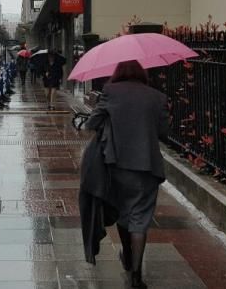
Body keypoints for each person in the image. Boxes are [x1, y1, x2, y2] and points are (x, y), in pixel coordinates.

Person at [83, 60, 169, 289]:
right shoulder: (157, 97)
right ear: (142, 74)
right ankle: (137, 274)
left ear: (118, 73)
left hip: (116, 164)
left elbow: (91, 123)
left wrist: (98, 107)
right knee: (140, 218)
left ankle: (128, 258)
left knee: (123, 212)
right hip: (147, 167)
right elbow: (163, 132)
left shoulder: (110, 92)